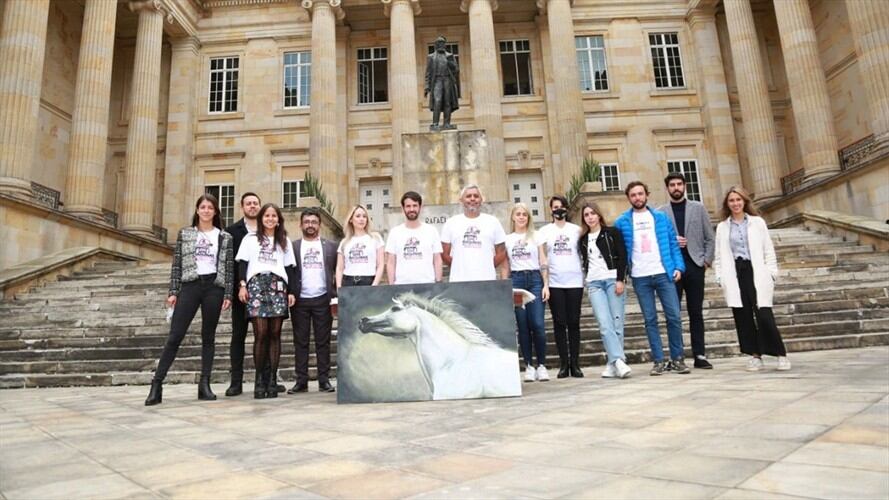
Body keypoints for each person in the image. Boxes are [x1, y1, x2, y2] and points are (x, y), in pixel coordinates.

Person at [145, 194, 233, 406]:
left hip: (214, 287)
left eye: (210, 208)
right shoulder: (185, 234)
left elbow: (229, 267)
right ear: (197, 210)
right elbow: (177, 264)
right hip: (190, 285)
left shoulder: (224, 237)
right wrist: (173, 291)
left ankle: (205, 384)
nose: (206, 211)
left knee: (208, 337)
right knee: (175, 335)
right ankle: (157, 384)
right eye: (202, 207)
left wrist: (228, 293)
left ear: (215, 212)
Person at [614, 181, 688, 376]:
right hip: (640, 277)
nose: (637, 198)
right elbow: (618, 251)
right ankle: (658, 360)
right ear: (629, 198)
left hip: (664, 273)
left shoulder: (661, 218)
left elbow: (673, 244)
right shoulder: (622, 222)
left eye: (640, 194)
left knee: (674, 316)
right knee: (650, 319)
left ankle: (678, 358)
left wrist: (679, 266)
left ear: (646, 195)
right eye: (633, 195)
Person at [713, 186, 791, 372]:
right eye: (731, 200)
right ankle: (755, 356)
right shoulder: (723, 227)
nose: (735, 203)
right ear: (727, 204)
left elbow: (768, 249)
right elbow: (719, 255)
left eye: (738, 200)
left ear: (745, 201)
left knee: (764, 315)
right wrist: (720, 277)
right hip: (735, 273)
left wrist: (771, 273)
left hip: (756, 271)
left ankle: (780, 354)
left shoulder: (757, 222)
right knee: (743, 316)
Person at [236, 204, 297, 399]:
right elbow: (243, 264)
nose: (270, 219)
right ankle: (259, 380)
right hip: (256, 285)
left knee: (275, 333)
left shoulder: (283, 241)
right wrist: (242, 285)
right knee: (260, 333)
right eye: (267, 215)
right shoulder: (250, 239)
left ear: (278, 219)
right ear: (261, 218)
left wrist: (291, 292)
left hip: (278, 285)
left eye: (274, 216)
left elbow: (291, 268)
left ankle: (272, 379)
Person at [225, 192, 279, 397]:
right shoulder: (232, 231)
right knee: (238, 335)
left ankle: (266, 379)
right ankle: (236, 382)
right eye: (249, 203)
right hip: (242, 292)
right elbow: (232, 262)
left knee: (264, 335)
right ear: (242, 207)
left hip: (266, 293)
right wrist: (236, 288)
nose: (253, 206)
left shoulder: (269, 231)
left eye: (256, 203)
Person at [660, 173, 715, 369]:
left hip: (694, 265)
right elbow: (659, 241)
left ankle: (699, 354)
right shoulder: (661, 212)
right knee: (673, 314)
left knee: (696, 312)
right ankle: (677, 355)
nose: (676, 188)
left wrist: (706, 261)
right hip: (673, 268)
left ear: (685, 186)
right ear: (667, 188)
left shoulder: (698, 208)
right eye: (672, 185)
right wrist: (672, 242)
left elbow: (710, 237)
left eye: (679, 184)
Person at [578, 202, 631, 379]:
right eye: (586, 215)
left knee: (617, 323)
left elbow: (623, 256)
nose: (590, 217)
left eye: (593, 213)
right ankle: (618, 361)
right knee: (604, 323)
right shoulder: (583, 240)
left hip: (612, 279)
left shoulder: (612, 233)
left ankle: (612, 363)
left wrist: (620, 279)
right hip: (594, 283)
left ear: (599, 215)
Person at [288, 208, 338, 393]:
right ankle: (301, 381)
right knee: (300, 341)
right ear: (301, 225)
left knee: (323, 342)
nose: (310, 225)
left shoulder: (330, 246)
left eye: (314, 222)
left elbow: (336, 271)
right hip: (300, 299)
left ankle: (324, 380)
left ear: (320, 224)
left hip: (322, 299)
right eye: (307, 222)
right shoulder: (293, 247)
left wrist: (334, 295)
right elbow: (290, 272)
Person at [501, 203, 550, 382]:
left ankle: (542, 365)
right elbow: (505, 265)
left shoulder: (536, 236)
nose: (522, 217)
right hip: (517, 281)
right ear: (513, 217)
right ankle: (529, 365)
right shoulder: (507, 239)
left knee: (537, 324)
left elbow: (543, 260)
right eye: (519, 214)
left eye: (525, 215)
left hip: (535, 280)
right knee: (522, 326)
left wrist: (546, 284)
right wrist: (505, 286)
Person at [538, 195, 585, 378]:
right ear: (551, 210)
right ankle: (564, 363)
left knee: (574, 322)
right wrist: (545, 283)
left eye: (562, 206)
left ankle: (575, 363)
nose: (559, 209)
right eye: (555, 206)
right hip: (555, 282)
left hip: (574, 281)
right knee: (559, 323)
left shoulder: (577, 230)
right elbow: (542, 257)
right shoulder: (544, 231)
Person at [440, 185, 507, 283]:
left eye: (476, 196)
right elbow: (444, 253)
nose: (472, 199)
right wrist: (457, 265)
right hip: (459, 281)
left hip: (487, 280)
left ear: (481, 200)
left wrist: (487, 265)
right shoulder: (451, 223)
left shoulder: (493, 222)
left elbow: (501, 252)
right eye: (468, 196)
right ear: (461, 200)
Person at [385, 191, 443, 285]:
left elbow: (437, 259)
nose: (411, 209)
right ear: (403, 208)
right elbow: (391, 262)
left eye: (415, 205)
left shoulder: (431, 231)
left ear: (420, 207)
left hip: (427, 283)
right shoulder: (395, 232)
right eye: (408, 206)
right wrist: (392, 286)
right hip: (401, 285)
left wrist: (439, 282)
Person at [336, 205, 385, 287]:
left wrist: (374, 285)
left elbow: (380, 264)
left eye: (364, 216)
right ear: (351, 219)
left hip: (369, 281)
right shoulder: (344, 242)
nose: (361, 219)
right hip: (348, 281)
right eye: (358, 216)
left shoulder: (376, 238)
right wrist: (339, 287)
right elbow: (339, 268)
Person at [424, 35, 460, 130]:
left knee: (447, 102)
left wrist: (450, 63)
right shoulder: (431, 57)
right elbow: (428, 73)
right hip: (437, 81)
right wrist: (427, 86)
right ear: (435, 45)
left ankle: (446, 123)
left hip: (447, 80)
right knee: (437, 101)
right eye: (439, 43)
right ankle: (435, 123)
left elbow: (456, 70)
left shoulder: (450, 56)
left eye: (443, 43)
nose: (441, 45)